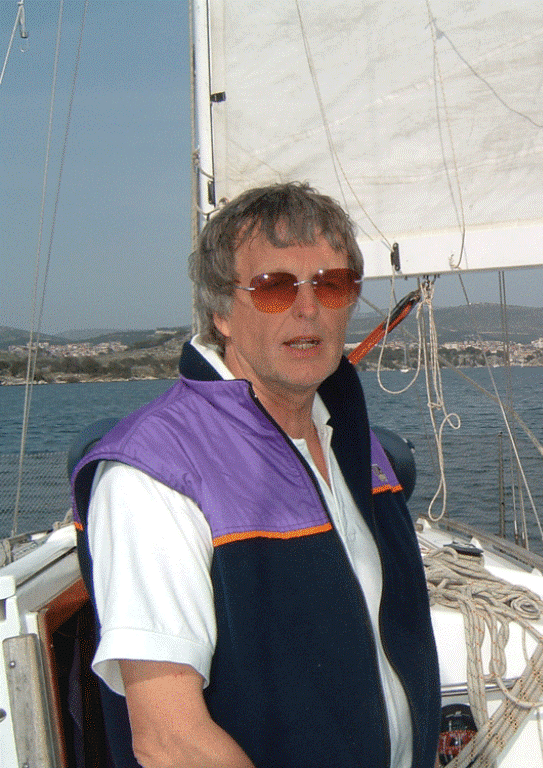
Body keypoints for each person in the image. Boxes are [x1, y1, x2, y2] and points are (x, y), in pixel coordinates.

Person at [71, 182, 441, 768]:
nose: (308, 308)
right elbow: (171, 740)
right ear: (221, 312)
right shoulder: (156, 474)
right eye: (274, 287)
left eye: (332, 283)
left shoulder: (354, 444)